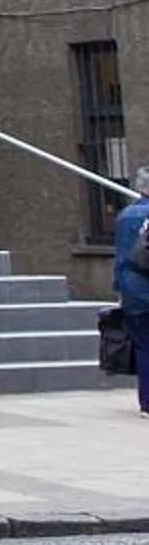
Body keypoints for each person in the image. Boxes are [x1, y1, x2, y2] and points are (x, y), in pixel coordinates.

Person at [118, 168, 149, 417]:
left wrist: (119, 290)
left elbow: (120, 258)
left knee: (144, 346)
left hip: (135, 290)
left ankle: (147, 402)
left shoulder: (126, 216)